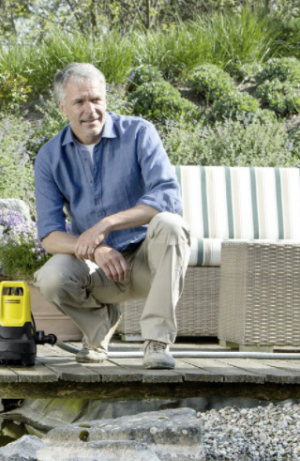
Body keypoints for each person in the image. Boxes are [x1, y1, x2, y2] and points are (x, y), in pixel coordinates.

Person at [32, 62, 190, 370]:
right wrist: (96, 248)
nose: (90, 110)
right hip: (99, 270)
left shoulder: (139, 133)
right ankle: (99, 327)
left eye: (96, 99)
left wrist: (106, 225)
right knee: (50, 277)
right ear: (62, 108)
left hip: (148, 262)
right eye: (79, 101)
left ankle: (157, 342)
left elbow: (168, 197)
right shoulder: (50, 157)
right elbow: (50, 235)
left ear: (106, 100)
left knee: (172, 225)